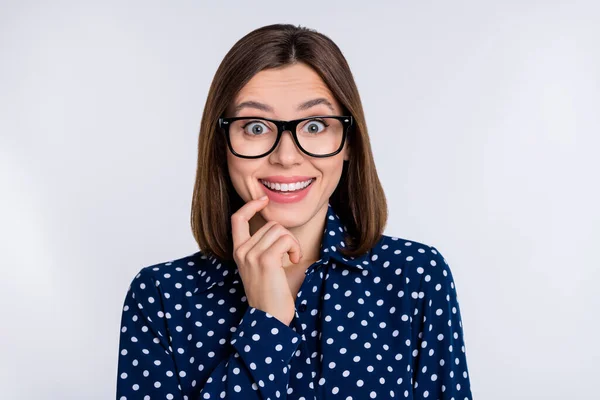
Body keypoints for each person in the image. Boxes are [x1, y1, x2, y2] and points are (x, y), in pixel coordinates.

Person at [116, 23, 473, 400]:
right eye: (255, 127)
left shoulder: (414, 278)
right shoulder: (161, 296)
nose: (286, 156)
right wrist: (266, 325)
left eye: (315, 125)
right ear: (222, 144)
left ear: (348, 142)